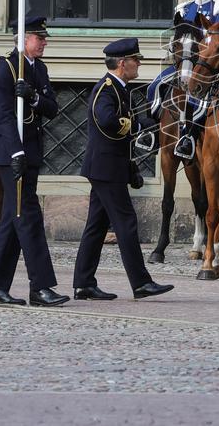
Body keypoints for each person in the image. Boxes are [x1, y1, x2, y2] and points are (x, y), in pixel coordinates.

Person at [73, 38, 174, 301]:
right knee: (126, 223)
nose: (139, 63)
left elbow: (122, 121)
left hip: (110, 167)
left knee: (96, 226)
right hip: (105, 168)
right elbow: (106, 120)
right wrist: (138, 126)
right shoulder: (106, 89)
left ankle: (84, 283)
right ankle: (141, 282)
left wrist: (150, 120)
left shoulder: (120, 89)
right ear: (122, 63)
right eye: (135, 60)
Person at [0, 15, 68, 306]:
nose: (43, 42)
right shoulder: (5, 68)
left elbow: (52, 108)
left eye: (43, 38)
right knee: (29, 217)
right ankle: (40, 287)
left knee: (11, 219)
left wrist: (31, 99)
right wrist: (16, 153)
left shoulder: (38, 68)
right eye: (38, 37)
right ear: (22, 39)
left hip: (30, 152)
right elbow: (4, 117)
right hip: (11, 154)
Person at [146, 0, 219, 160]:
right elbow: (175, 38)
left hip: (206, 67)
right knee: (155, 86)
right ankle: (150, 133)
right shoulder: (183, 8)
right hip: (183, 63)